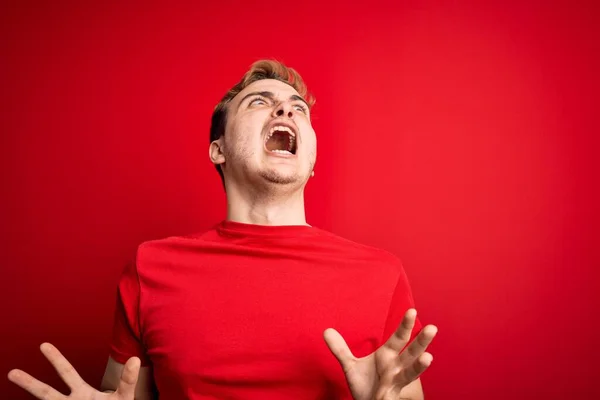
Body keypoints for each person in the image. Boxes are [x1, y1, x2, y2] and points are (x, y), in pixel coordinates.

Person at [8, 60, 438, 400]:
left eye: (298, 108)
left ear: (311, 162)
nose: (286, 109)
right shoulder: (151, 266)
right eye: (258, 103)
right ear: (219, 150)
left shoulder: (381, 274)